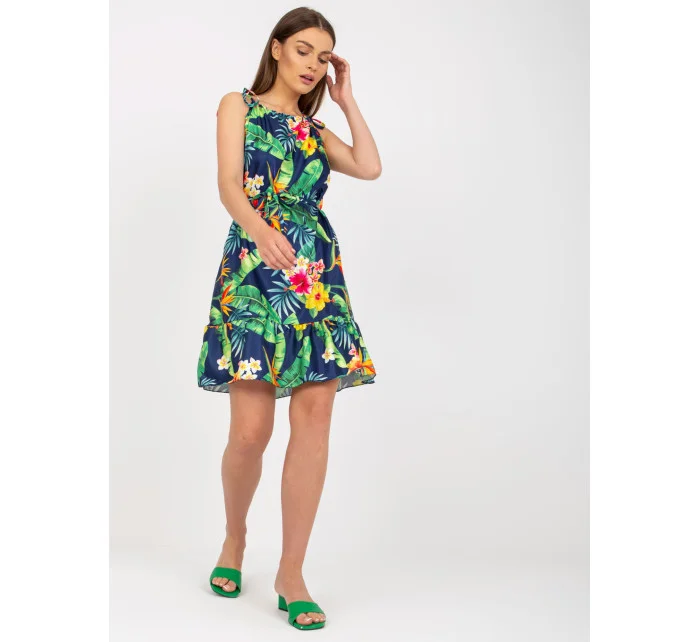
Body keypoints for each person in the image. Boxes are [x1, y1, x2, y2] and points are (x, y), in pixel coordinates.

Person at [195, 7, 381, 631]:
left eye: (323, 58)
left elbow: (369, 166)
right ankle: (234, 537)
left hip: (316, 278)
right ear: (275, 48)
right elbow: (229, 184)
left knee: (316, 418)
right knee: (250, 433)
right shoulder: (238, 106)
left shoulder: (315, 129)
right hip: (254, 273)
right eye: (303, 50)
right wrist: (260, 230)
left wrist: (346, 100)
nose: (313, 65)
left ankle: (291, 573)